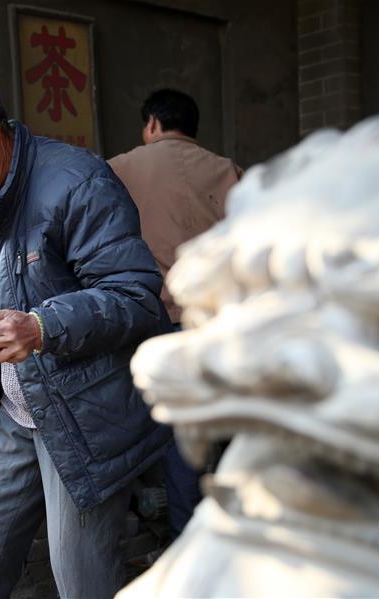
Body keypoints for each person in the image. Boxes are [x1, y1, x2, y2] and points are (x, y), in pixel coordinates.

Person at [0, 70, 172, 598]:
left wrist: (43, 327)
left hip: (84, 417)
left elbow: (137, 297)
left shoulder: (77, 183)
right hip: (20, 413)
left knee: (81, 577)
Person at [108, 89, 242, 539]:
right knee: (213, 432)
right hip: (215, 323)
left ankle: (183, 538)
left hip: (150, 320)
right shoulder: (227, 171)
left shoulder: (121, 168)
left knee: (159, 434)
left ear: (151, 125)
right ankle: (216, 527)